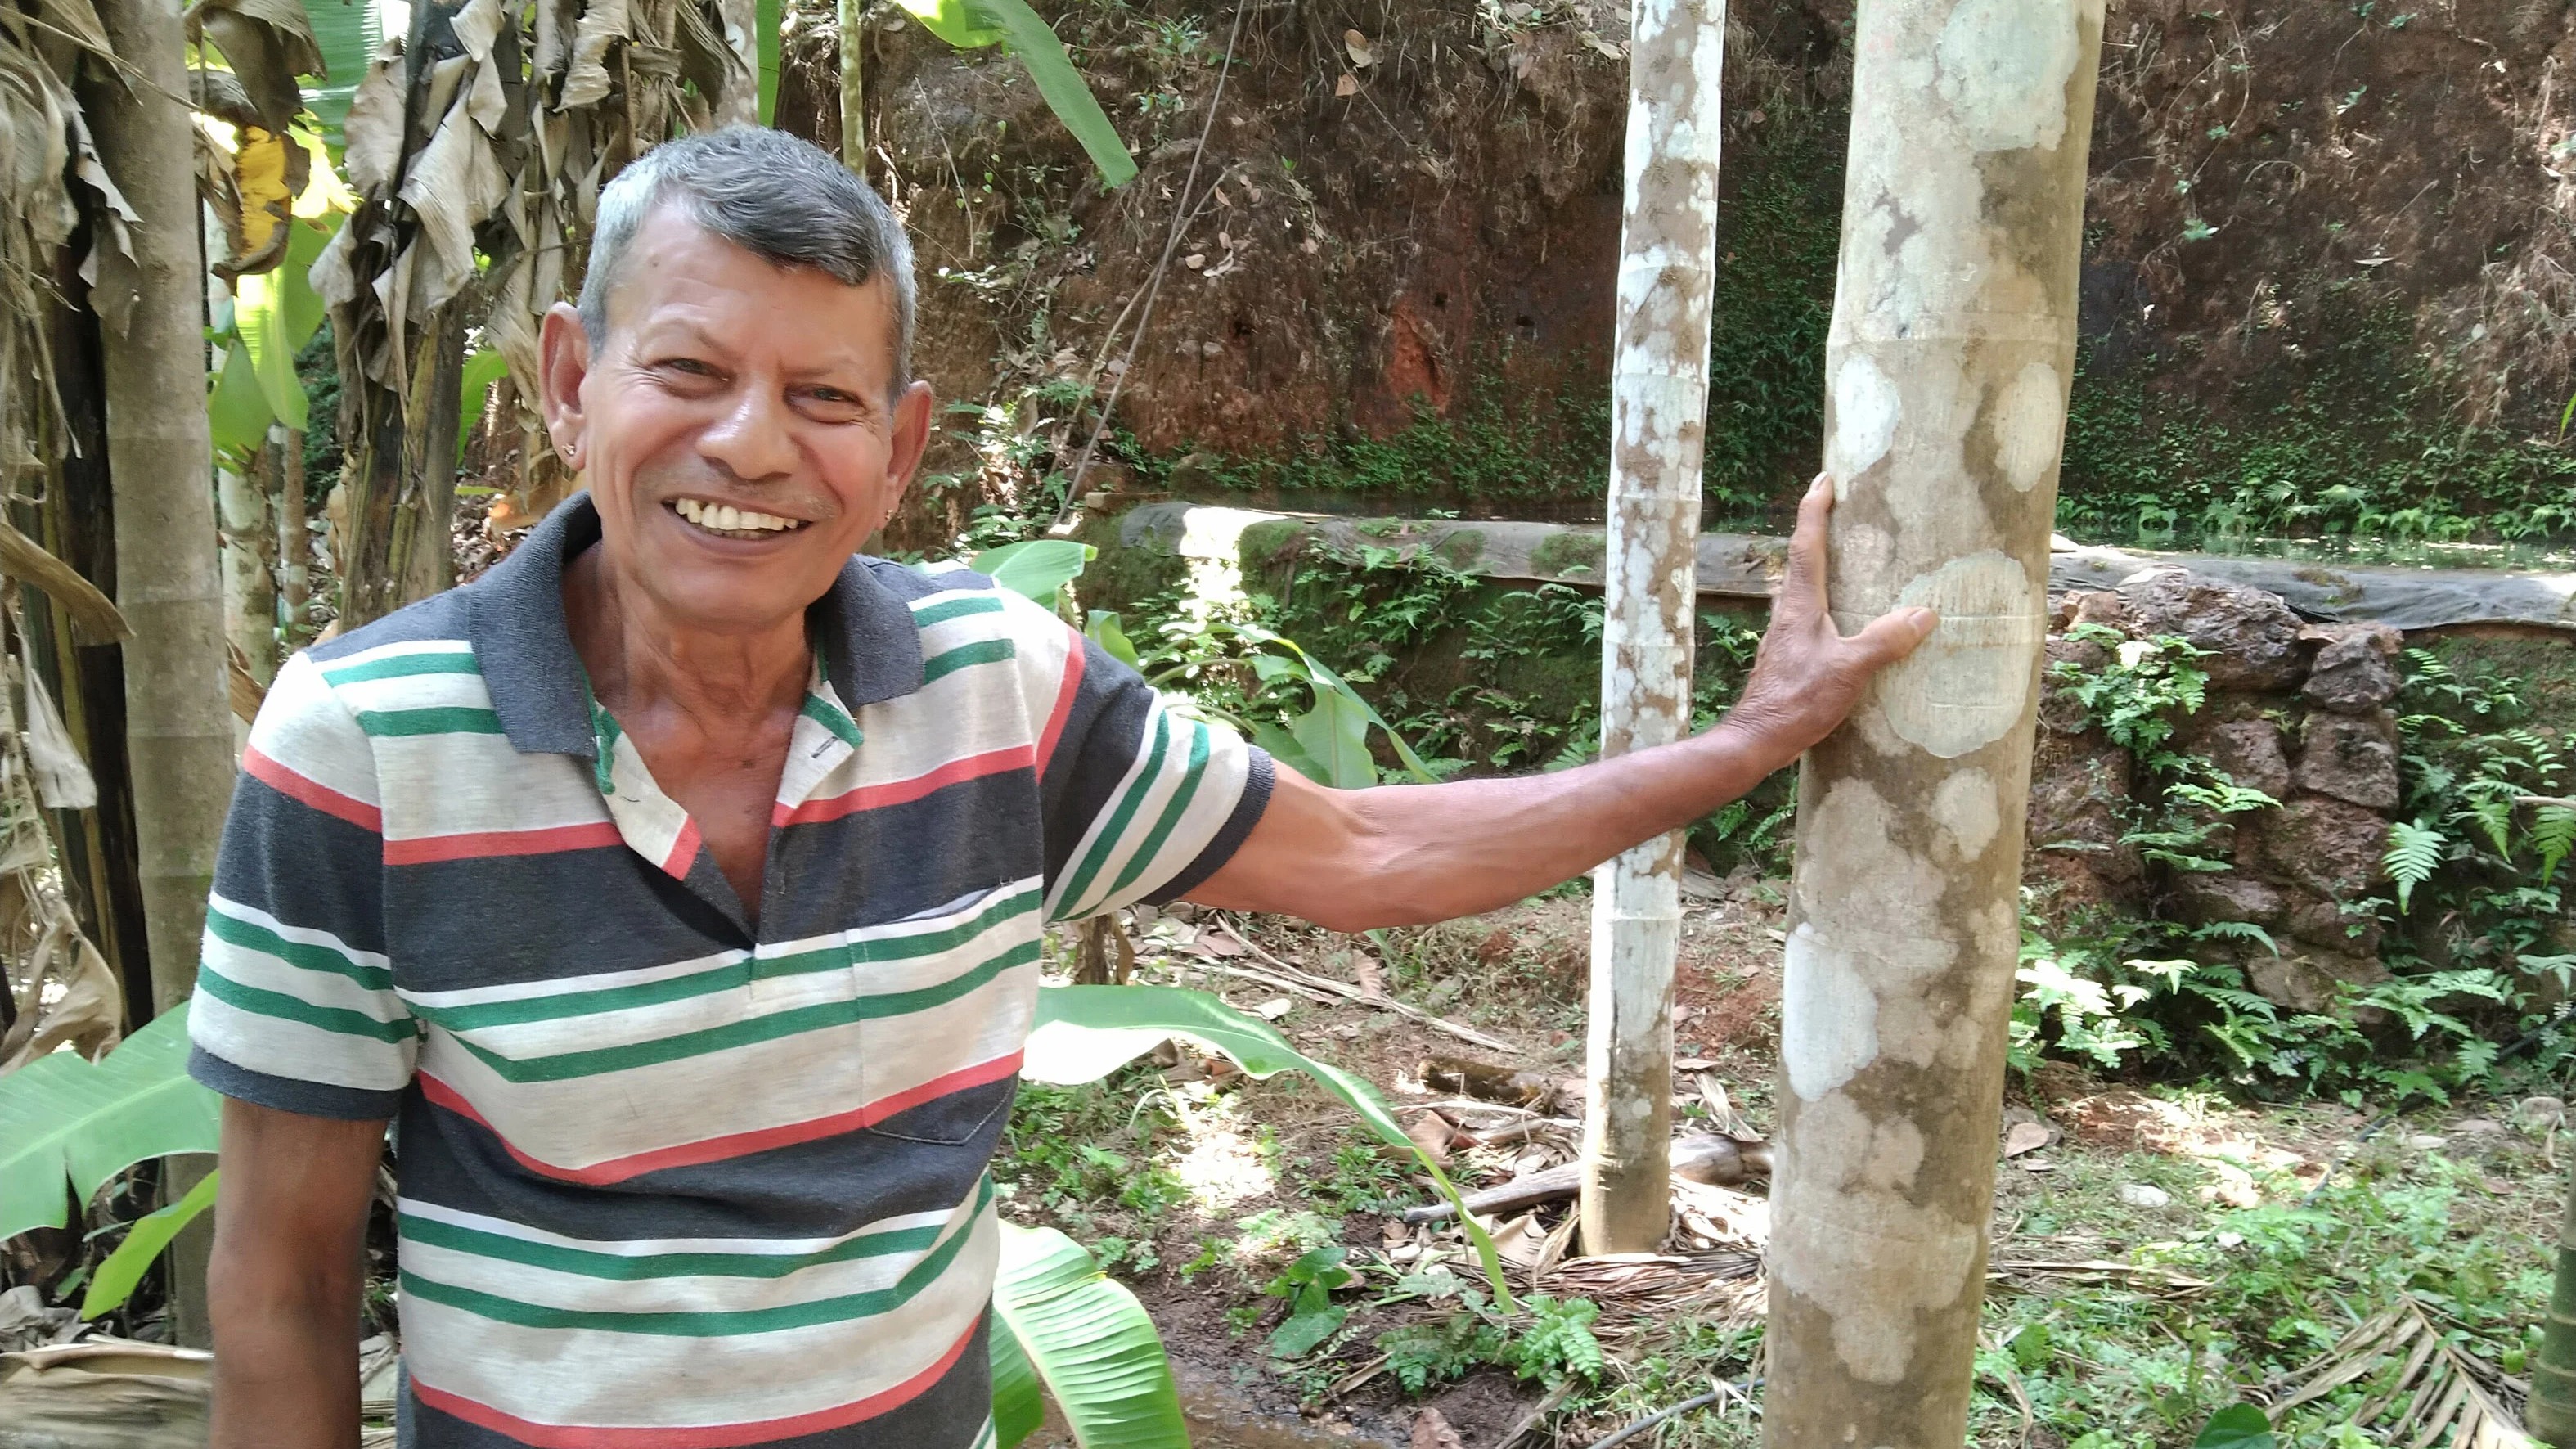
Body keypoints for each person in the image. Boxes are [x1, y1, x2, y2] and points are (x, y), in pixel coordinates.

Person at [192, 126, 1935, 1449]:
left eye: (823, 396)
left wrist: (1746, 742)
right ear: (574, 385)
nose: (751, 447)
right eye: (691, 374)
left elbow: (1370, 847)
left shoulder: (993, 694)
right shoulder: (361, 742)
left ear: (900, 451)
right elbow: (280, 1280)